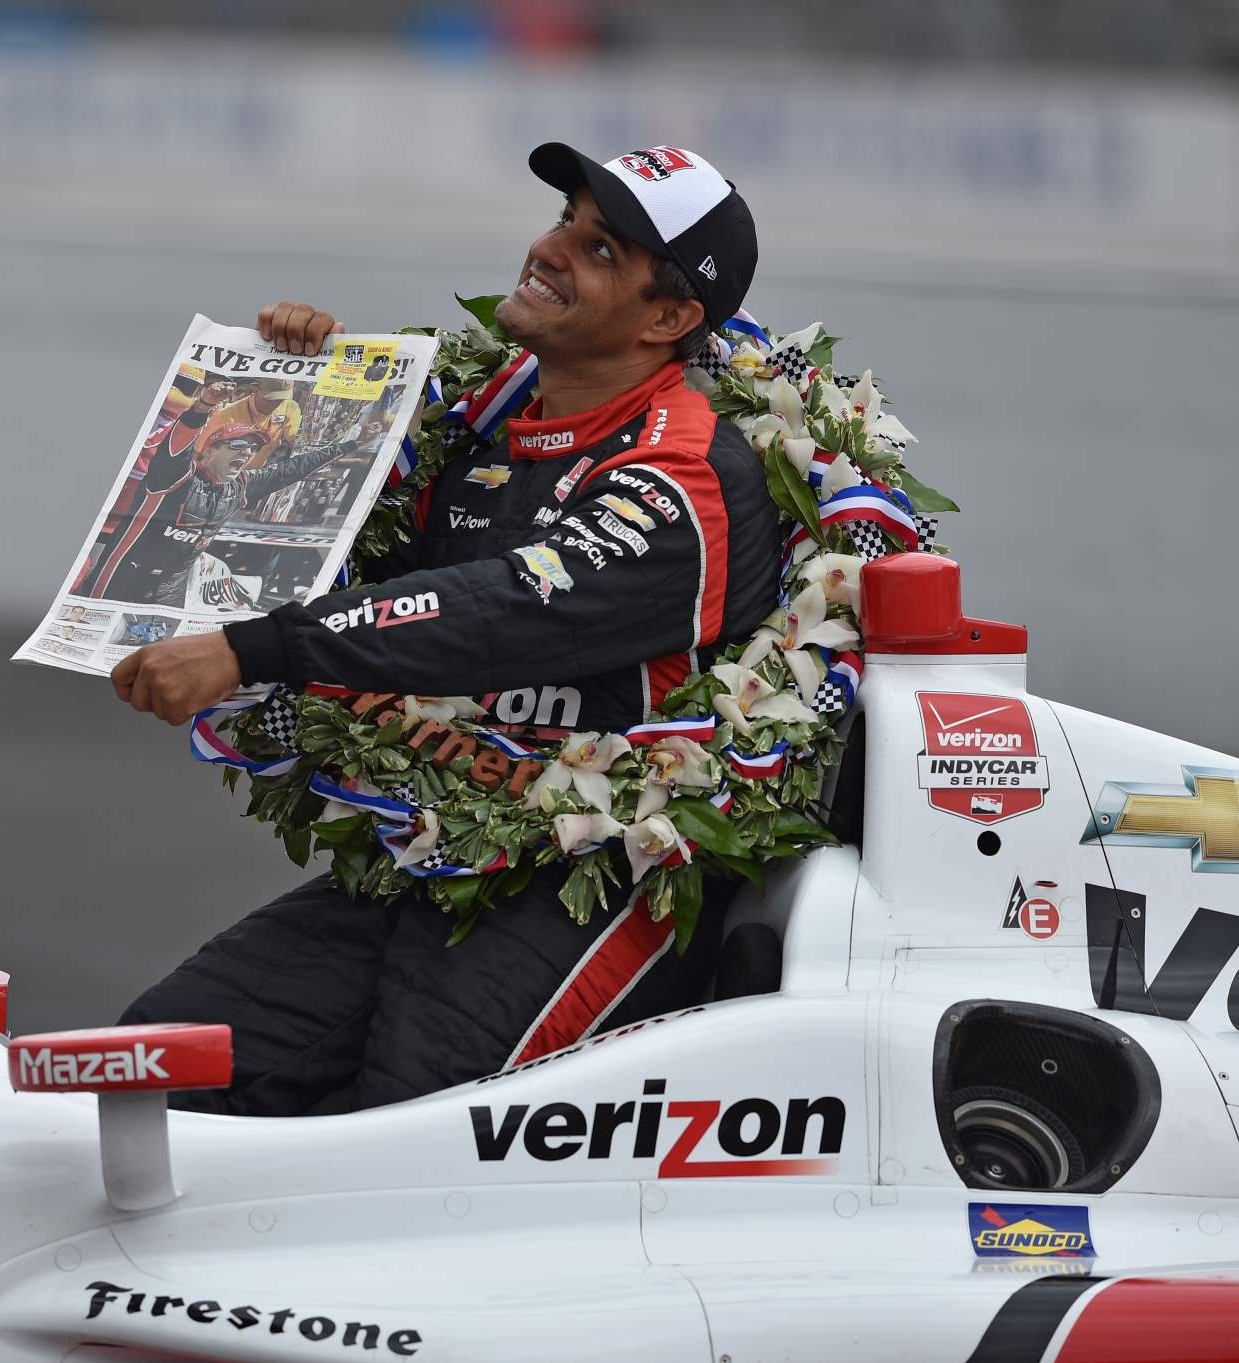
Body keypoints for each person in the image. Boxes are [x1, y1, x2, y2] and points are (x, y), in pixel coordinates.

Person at [109, 143, 778, 1115]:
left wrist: (248, 650)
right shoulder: (476, 428)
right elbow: (359, 583)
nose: (549, 249)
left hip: (596, 878)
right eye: (563, 220)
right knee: (153, 1068)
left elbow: (500, 609)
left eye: (598, 250)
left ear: (669, 319)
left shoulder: (682, 478)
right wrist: (303, 401)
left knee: (411, 1121)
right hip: (436, 847)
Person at [82, 383, 346, 607]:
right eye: (239, 445)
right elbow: (176, 447)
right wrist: (203, 405)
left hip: (169, 591)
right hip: (122, 578)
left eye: (253, 448)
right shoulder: (176, 476)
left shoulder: (241, 485)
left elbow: (292, 469)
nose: (247, 453)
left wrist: (351, 444)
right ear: (208, 451)